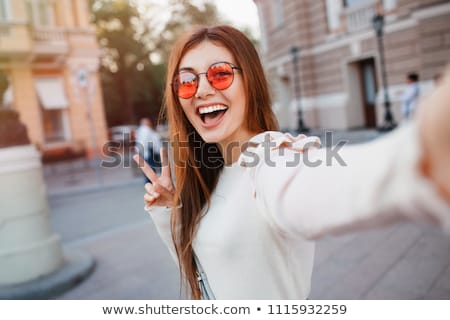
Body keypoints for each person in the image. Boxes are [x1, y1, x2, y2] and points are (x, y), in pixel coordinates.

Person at [133, 25, 450, 300]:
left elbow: (312, 189)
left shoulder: (272, 159)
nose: (202, 90)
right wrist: (169, 209)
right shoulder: (214, 168)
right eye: (187, 81)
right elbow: (204, 270)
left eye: (220, 74)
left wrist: (421, 155)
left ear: (251, 82)